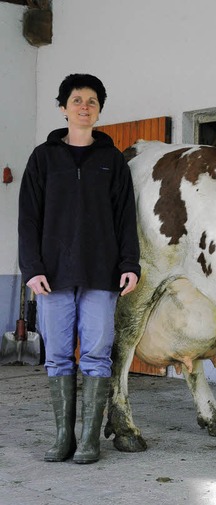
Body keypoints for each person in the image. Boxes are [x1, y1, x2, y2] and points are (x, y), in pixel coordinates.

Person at [18, 74, 140, 464]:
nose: (84, 106)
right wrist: (32, 268)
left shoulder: (113, 160)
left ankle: (89, 441)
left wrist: (129, 264)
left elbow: (126, 217)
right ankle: (62, 439)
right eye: (76, 100)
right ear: (63, 108)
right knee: (56, 357)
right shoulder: (43, 157)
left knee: (96, 356)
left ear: (99, 109)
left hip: (101, 274)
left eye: (91, 100)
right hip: (51, 276)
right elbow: (28, 219)